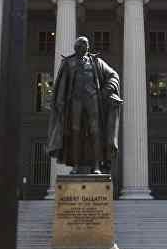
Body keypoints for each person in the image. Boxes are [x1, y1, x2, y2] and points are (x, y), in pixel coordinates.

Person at [47, 36, 122, 174]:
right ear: (76, 48)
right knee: (75, 132)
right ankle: (75, 165)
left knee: (95, 131)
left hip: (93, 100)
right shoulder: (68, 63)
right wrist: (60, 103)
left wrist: (106, 91)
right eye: (80, 45)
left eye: (85, 45)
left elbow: (113, 75)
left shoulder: (96, 62)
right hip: (75, 101)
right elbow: (62, 85)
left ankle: (96, 166)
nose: (83, 47)